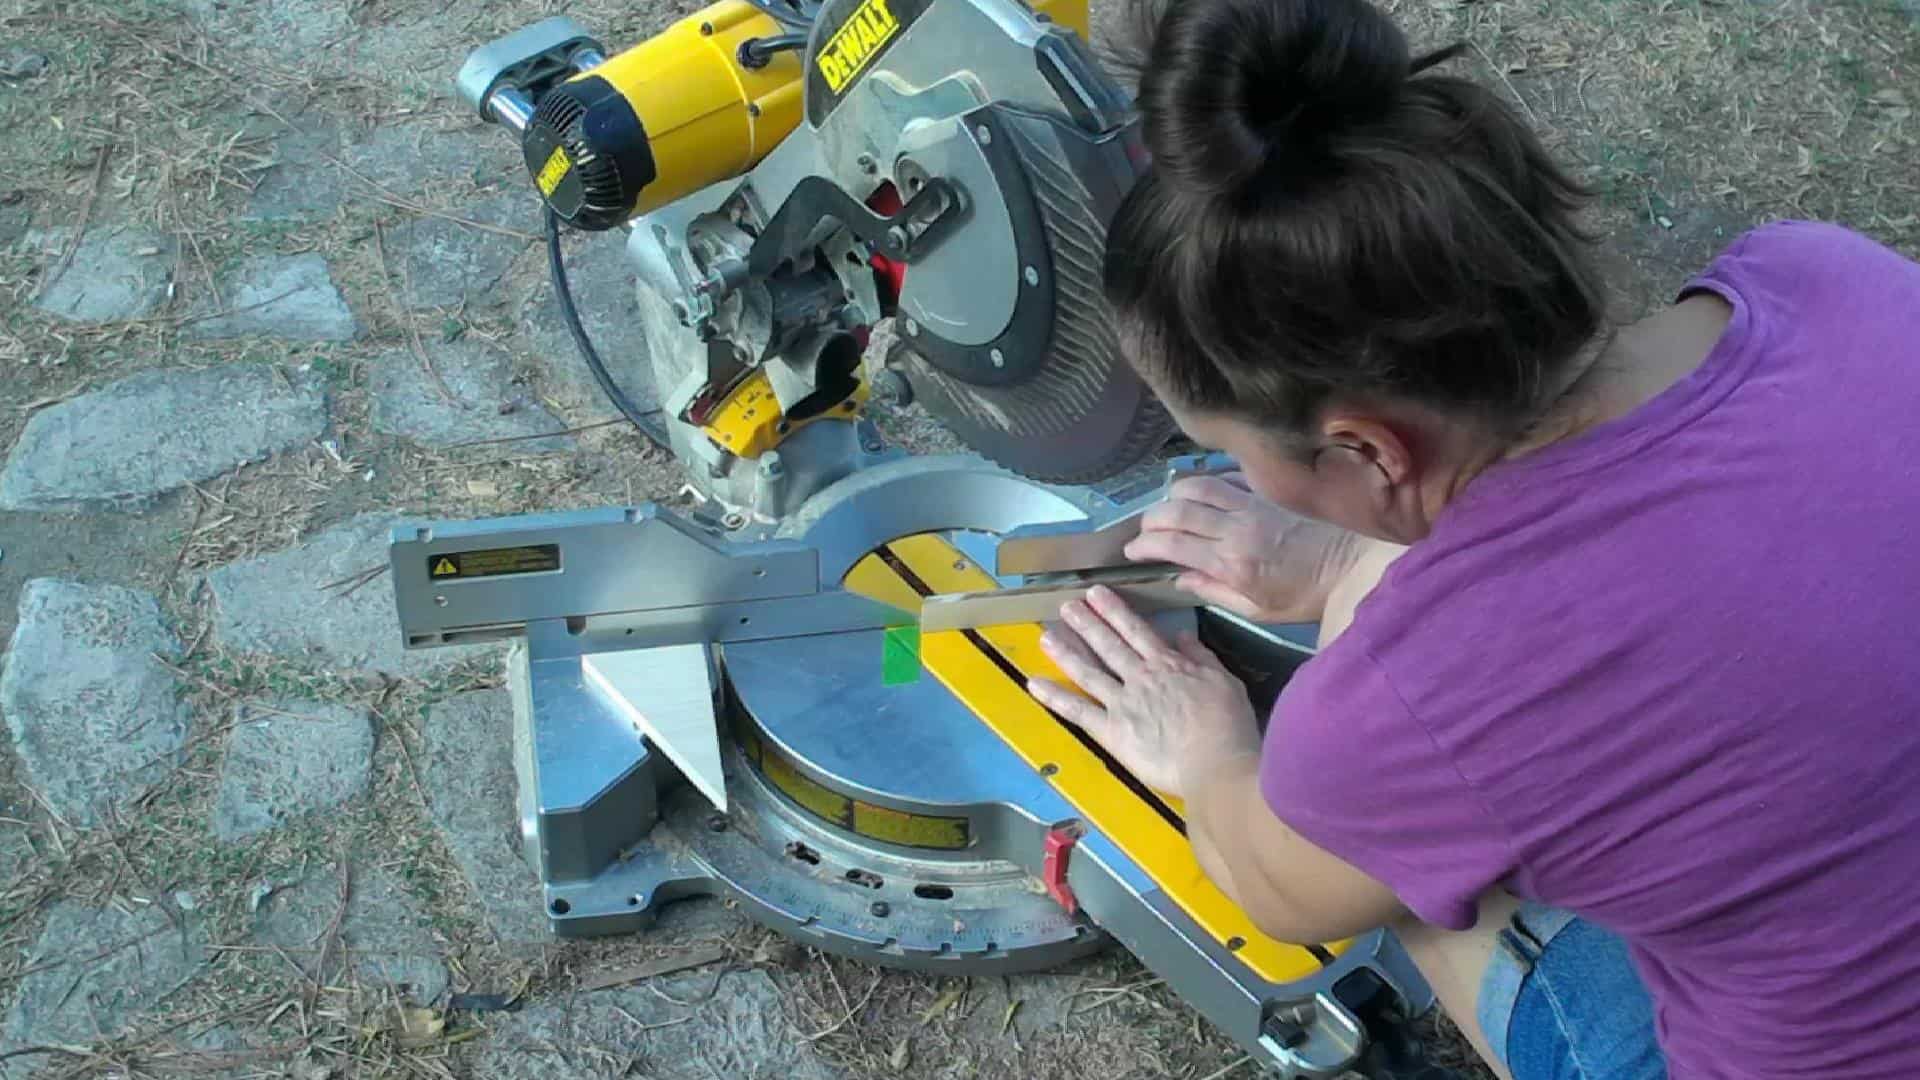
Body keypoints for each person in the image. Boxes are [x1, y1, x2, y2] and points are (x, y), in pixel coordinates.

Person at [1022, 0, 1920, 1077]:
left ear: (1365, 449)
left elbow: (1277, 889)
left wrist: (1209, 749)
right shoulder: (1821, 275)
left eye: (1227, 445)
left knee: (1427, 890)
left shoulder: (1414, 706)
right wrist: (1351, 555)